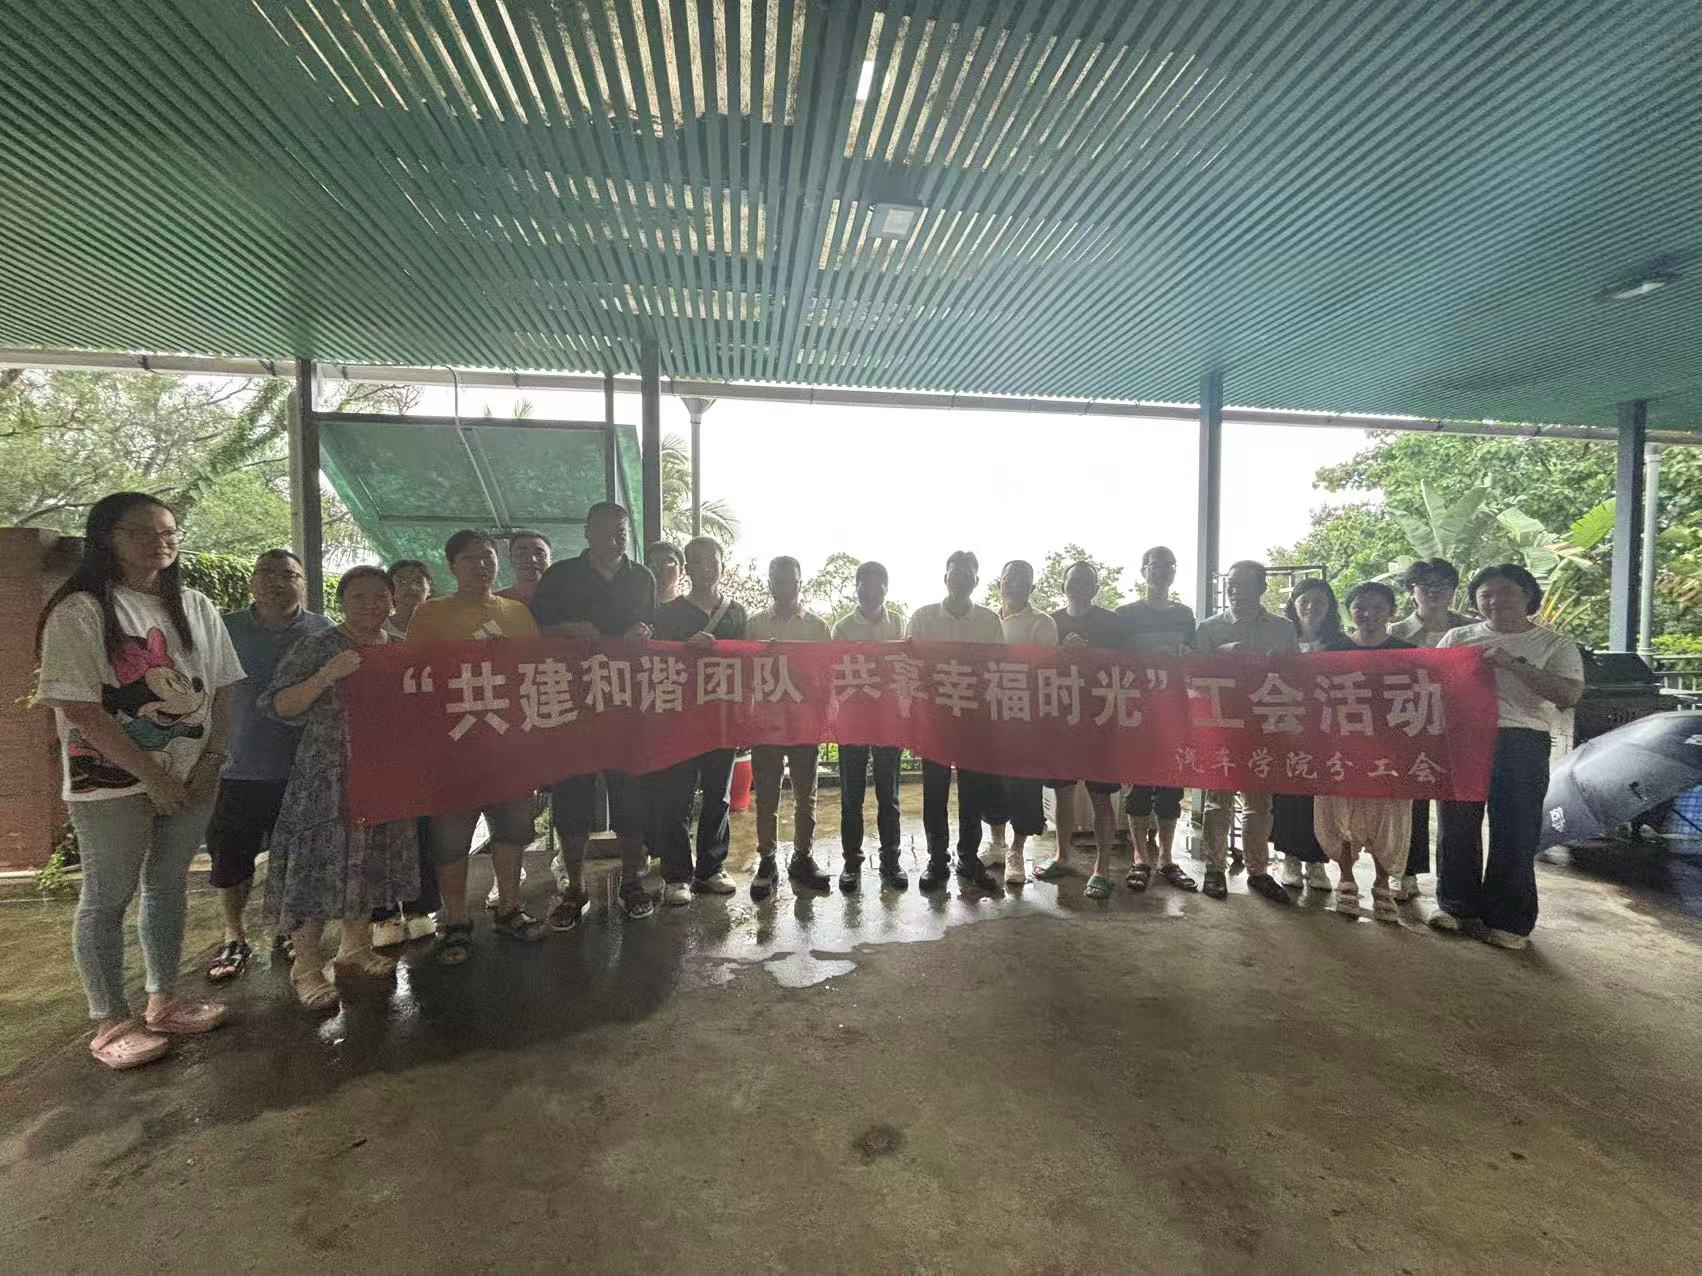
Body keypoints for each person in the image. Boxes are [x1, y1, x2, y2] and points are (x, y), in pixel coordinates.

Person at [35, 492, 241, 1069]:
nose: (160, 543)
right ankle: (109, 1021)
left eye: (169, 532)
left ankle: (164, 999)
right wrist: (151, 774)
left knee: (167, 886)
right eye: (142, 533)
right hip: (111, 783)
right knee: (107, 898)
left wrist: (212, 758)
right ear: (107, 537)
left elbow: (225, 686)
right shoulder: (81, 610)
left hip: (192, 775)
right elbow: (80, 708)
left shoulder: (195, 604)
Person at [260, 568, 422, 1009]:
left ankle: (355, 947)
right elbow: (279, 704)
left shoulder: (401, 649)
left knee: (370, 860)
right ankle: (306, 966)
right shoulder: (319, 646)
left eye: (379, 596)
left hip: (384, 771)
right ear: (342, 601)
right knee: (316, 865)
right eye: (358, 596)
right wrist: (327, 675)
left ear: (392, 601)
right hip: (327, 774)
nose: (370, 604)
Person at [405, 529, 548, 961]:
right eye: (469, 559)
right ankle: (455, 921)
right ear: (452, 565)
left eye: (487, 558)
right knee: (451, 839)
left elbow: (535, 675)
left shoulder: (517, 614)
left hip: (508, 747)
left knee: (512, 831)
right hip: (454, 748)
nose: (481, 566)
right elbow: (414, 676)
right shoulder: (430, 614)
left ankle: (510, 908)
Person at [1433, 564, 1583, 949]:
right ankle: (1456, 906)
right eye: (1486, 594)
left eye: (1506, 592)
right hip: (1463, 738)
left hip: (1521, 740)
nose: (1495, 601)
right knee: (1457, 826)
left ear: (1528, 595)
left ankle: (1509, 920)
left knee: (1515, 829)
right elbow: (1429, 680)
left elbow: (1568, 695)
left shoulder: (1554, 644)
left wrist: (1511, 663)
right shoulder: (1458, 637)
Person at [203, 550, 332, 983]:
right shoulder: (223, 628)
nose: (278, 581)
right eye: (268, 573)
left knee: (297, 858)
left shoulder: (323, 630)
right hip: (235, 765)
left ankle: (290, 931)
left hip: (303, 770)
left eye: (289, 575)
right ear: (253, 581)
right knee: (230, 859)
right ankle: (233, 934)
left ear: (303, 585)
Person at [529, 501, 657, 925]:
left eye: (621, 532)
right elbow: (533, 632)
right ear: (586, 532)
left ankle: (632, 882)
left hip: (626, 704)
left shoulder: (642, 578)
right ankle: (574, 886)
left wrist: (644, 633)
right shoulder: (560, 576)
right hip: (573, 704)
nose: (613, 540)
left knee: (630, 797)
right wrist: (566, 629)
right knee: (572, 796)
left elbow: (653, 632)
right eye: (604, 531)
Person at [1193, 560, 1298, 904]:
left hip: (1263, 726)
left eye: (1246, 585)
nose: (1236, 592)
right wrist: (1221, 654)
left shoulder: (1283, 629)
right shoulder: (1209, 629)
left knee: (1260, 804)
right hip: (1222, 726)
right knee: (1217, 802)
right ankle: (1214, 868)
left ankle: (1258, 870)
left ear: (1262, 588)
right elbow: (1194, 676)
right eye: (1232, 585)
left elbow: (1297, 676)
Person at [651, 536, 748, 906]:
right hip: (680, 719)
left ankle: (711, 868)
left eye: (712, 560)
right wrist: (684, 649)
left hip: (722, 718)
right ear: (687, 567)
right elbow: (655, 663)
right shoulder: (668, 613)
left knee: (718, 796)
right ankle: (676, 874)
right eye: (697, 561)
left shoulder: (736, 613)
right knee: (675, 796)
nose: (706, 568)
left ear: (723, 565)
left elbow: (746, 663)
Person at [1315, 583, 1416, 921]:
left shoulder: (1408, 652)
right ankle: (1345, 879)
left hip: (1390, 747)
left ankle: (1383, 883)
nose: (1368, 614)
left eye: (1377, 607)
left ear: (1392, 611)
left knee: (1388, 815)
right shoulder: (1333, 651)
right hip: (1343, 744)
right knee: (1340, 810)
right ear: (1350, 611)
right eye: (1360, 607)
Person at [905, 551, 1003, 893]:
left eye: (967, 574)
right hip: (934, 722)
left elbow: (999, 670)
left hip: (974, 723)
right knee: (934, 794)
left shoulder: (989, 621)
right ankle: (936, 859)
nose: (960, 578)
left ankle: (968, 857)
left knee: (972, 794)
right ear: (945, 578)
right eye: (955, 573)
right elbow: (909, 668)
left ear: (976, 580)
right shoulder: (923, 618)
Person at [1034, 561, 1122, 898]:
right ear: (1064, 585)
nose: (1081, 585)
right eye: (1075, 580)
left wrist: (1091, 654)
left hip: (1101, 718)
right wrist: (1060, 652)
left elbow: (1126, 665)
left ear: (1096, 588)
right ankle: (1063, 855)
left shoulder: (1112, 622)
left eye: (1088, 580)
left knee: (1101, 795)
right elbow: (1037, 663)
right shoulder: (1050, 622)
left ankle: (1102, 867)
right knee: (1063, 791)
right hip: (1061, 719)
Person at [746, 556, 833, 899]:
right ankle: (767, 860)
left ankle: (802, 856)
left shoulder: (817, 627)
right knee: (766, 796)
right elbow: (743, 674)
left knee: (805, 796)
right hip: (766, 725)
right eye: (777, 580)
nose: (783, 586)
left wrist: (822, 719)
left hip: (803, 725)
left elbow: (827, 676)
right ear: (770, 584)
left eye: (789, 580)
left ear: (799, 584)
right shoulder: (754, 625)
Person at [1389, 558, 1473, 900]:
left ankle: (1456, 892)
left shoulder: (1474, 631)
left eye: (1443, 585)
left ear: (1453, 590)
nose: (1435, 592)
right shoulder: (1395, 633)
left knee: (1459, 812)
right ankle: (1404, 872)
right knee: (1409, 805)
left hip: (1461, 729)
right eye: (1426, 586)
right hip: (1410, 728)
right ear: (1412, 592)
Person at [1115, 546, 1197, 892]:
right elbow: (1114, 662)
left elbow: (1194, 660)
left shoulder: (1185, 615)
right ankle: (1140, 858)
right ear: (1143, 570)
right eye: (1155, 565)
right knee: (1138, 788)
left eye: (1169, 565)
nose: (1162, 571)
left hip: (1175, 712)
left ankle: (1166, 858)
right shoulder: (1125, 615)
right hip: (1138, 713)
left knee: (1170, 789)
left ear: (1175, 572)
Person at [832, 561, 907, 890]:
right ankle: (852, 862)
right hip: (852, 721)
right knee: (851, 797)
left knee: (889, 796)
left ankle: (891, 860)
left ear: (886, 589)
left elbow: (907, 667)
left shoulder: (900, 624)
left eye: (878, 585)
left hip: (888, 722)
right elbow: (834, 673)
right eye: (865, 585)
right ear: (857, 588)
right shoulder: (842, 628)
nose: (871, 591)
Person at [1271, 579, 1344, 893]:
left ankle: (1317, 861)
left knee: (1321, 799)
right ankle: (1289, 859)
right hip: (1286, 729)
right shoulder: (1279, 639)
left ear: (1330, 607)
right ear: (1294, 604)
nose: (1311, 607)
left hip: (1327, 733)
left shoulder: (1341, 644)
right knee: (1288, 796)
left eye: (1319, 601)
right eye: (1305, 600)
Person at [986, 560, 1056, 885]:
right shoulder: (987, 619)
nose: (1014, 583)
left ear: (1032, 586)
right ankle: (997, 845)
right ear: (999, 581)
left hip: (1027, 719)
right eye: (1009, 577)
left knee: (1024, 787)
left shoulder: (1042, 623)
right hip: (991, 717)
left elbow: (1047, 670)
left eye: (1022, 579)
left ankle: (1017, 851)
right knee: (992, 781)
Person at [496, 530, 551, 605]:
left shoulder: (565, 597)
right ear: (511, 560)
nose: (532, 560)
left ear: (550, 559)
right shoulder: (497, 602)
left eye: (539, 554)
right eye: (522, 554)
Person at [383, 559, 433, 639]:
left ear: (430, 588)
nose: (411, 587)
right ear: (389, 587)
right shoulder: (378, 627)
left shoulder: (442, 627)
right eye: (401, 581)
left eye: (419, 582)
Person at [647, 540, 684, 605]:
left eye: (670, 562)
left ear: (681, 570)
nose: (663, 568)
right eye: (656, 562)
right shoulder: (636, 605)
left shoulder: (686, 607)